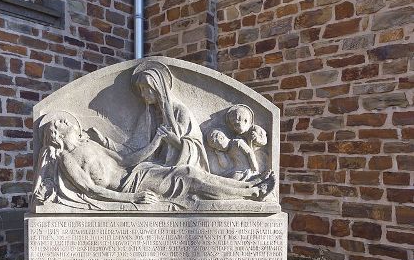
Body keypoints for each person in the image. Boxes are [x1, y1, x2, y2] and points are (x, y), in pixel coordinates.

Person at [42, 114, 275, 206]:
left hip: (139, 172)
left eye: (65, 120)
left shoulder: (90, 144)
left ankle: (251, 186)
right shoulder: (66, 158)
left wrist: (156, 141)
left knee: (191, 173)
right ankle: (252, 192)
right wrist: (132, 197)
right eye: (59, 123)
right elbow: (90, 189)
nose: (66, 121)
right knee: (191, 177)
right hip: (130, 187)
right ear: (56, 134)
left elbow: (126, 159)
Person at [90, 61, 210, 171]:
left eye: (146, 89)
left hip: (177, 169)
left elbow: (197, 150)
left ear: (158, 88)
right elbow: (133, 147)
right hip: (154, 166)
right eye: (141, 89)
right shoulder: (146, 116)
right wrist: (105, 142)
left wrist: (174, 141)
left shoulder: (180, 111)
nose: (142, 94)